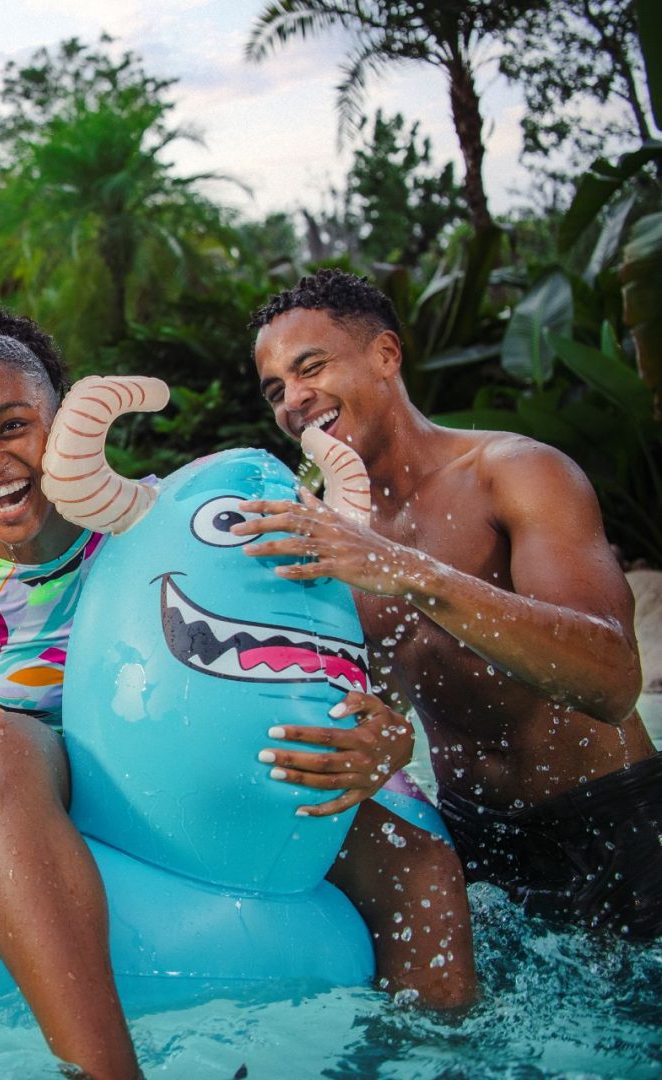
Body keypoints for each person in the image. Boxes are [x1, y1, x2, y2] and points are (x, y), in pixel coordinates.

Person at [0, 306, 475, 1080]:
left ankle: (430, 1061)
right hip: (53, 789)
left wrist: (388, 738)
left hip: (193, 776)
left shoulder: (160, 520)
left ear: (65, 427)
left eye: (14, 426)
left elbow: (303, 645)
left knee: (421, 863)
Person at [242, 268, 660, 938]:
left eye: (311, 366)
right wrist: (381, 743)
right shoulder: (325, 539)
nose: (294, 399)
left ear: (384, 355)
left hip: (611, 821)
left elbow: (611, 679)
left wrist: (407, 570)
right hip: (476, 841)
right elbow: (362, 704)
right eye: (275, 390)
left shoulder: (514, 473)